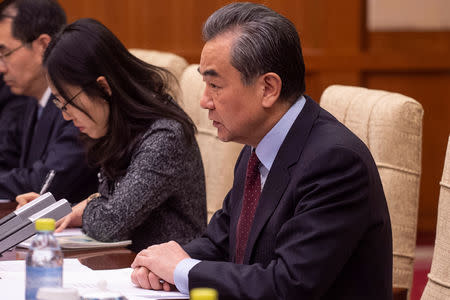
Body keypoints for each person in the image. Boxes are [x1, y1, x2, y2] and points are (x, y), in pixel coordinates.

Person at [130, 3, 393, 299]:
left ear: (268, 88)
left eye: (214, 84)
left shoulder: (336, 163)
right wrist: (162, 266)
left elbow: (289, 285)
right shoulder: (259, 145)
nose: (204, 101)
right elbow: (222, 241)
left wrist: (182, 270)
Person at [37, 18, 207, 253]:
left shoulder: (164, 136)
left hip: (167, 281)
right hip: (131, 268)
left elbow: (110, 223)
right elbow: (108, 209)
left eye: (69, 103)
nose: (66, 116)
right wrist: (79, 207)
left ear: (104, 87)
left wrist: (91, 204)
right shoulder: (119, 127)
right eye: (59, 103)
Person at [0, 0, 98, 202]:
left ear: (43, 46)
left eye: (5, 53)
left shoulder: (79, 104)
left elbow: (43, 183)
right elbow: (7, 161)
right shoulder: (29, 101)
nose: (1, 68)